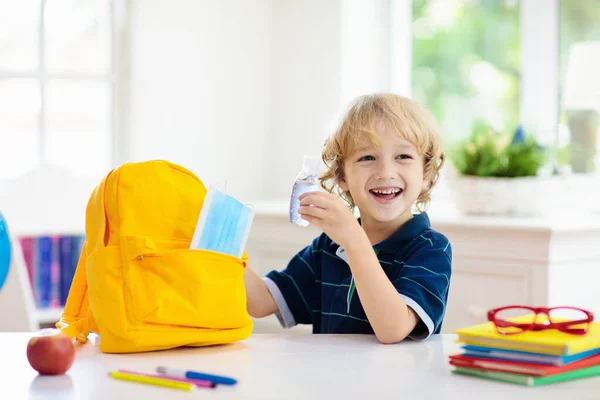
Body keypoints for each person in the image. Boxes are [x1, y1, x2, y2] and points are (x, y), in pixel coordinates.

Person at [244, 93, 452, 344]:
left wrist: (354, 240)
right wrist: (221, 245)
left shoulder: (430, 249)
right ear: (342, 178)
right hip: (332, 382)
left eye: (403, 157)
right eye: (367, 158)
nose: (385, 172)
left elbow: (393, 329)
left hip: (398, 383)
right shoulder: (328, 248)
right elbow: (261, 302)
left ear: (426, 173)